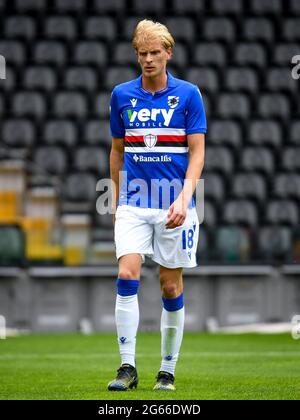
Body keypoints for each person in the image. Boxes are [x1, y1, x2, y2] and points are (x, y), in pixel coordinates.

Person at [108, 19, 206, 391]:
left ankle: (167, 369)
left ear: (168, 53)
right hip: (133, 203)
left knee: (169, 284)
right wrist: (117, 201)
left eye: (154, 52)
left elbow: (197, 154)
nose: (148, 59)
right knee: (127, 274)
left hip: (173, 206)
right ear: (136, 54)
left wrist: (185, 197)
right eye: (141, 53)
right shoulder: (121, 95)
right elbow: (117, 151)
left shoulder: (188, 95)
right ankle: (127, 368)